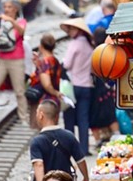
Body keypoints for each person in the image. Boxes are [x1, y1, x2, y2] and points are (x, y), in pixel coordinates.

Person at [61, 17, 94, 155]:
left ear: (79, 30)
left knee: (69, 120)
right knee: (83, 119)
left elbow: (67, 64)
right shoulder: (90, 45)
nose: (70, 31)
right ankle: (84, 149)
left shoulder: (74, 44)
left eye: (72, 29)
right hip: (87, 85)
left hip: (73, 86)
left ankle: (69, 150)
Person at [90, 27, 118, 145]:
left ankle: (97, 140)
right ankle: (117, 135)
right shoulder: (110, 50)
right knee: (110, 113)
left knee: (94, 115)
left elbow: (92, 70)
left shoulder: (94, 52)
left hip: (97, 88)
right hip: (109, 86)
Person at [28, 33, 62, 127]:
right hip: (54, 102)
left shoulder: (45, 62)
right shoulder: (54, 60)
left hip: (44, 101)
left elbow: (46, 84)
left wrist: (55, 93)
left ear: (41, 46)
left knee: (43, 130)